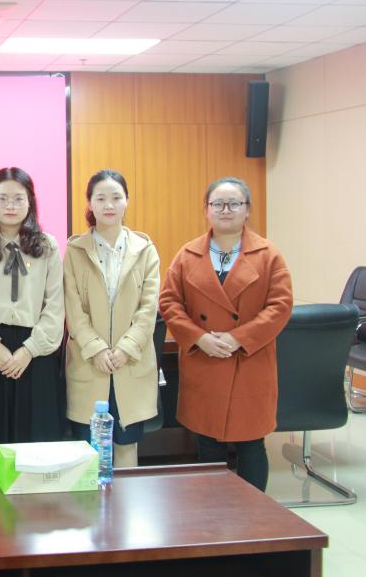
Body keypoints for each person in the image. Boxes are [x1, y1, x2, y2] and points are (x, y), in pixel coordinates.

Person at [158, 176, 292, 491]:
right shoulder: (188, 254)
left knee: (251, 443)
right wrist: (198, 337)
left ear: (247, 209)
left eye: (234, 203)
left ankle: (253, 514)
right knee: (207, 443)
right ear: (206, 210)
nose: (226, 210)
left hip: (249, 362)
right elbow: (169, 302)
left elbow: (280, 305)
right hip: (204, 359)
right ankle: (212, 511)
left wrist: (238, 338)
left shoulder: (268, 254)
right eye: (217, 204)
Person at [0, 167, 65, 473]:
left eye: (19, 198)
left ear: (30, 201)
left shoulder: (48, 246)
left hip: (35, 354)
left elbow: (55, 305)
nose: (10, 205)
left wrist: (29, 350)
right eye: (2, 198)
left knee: (35, 446)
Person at [63, 169, 160, 468]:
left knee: (126, 446)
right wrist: (96, 349)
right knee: (89, 452)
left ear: (126, 200)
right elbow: (73, 309)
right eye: (101, 198)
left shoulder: (144, 250)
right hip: (89, 364)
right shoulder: (74, 251)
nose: (109, 205)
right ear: (89, 203)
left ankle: (125, 501)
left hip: (129, 364)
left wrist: (125, 349)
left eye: (116, 197)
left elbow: (148, 309)